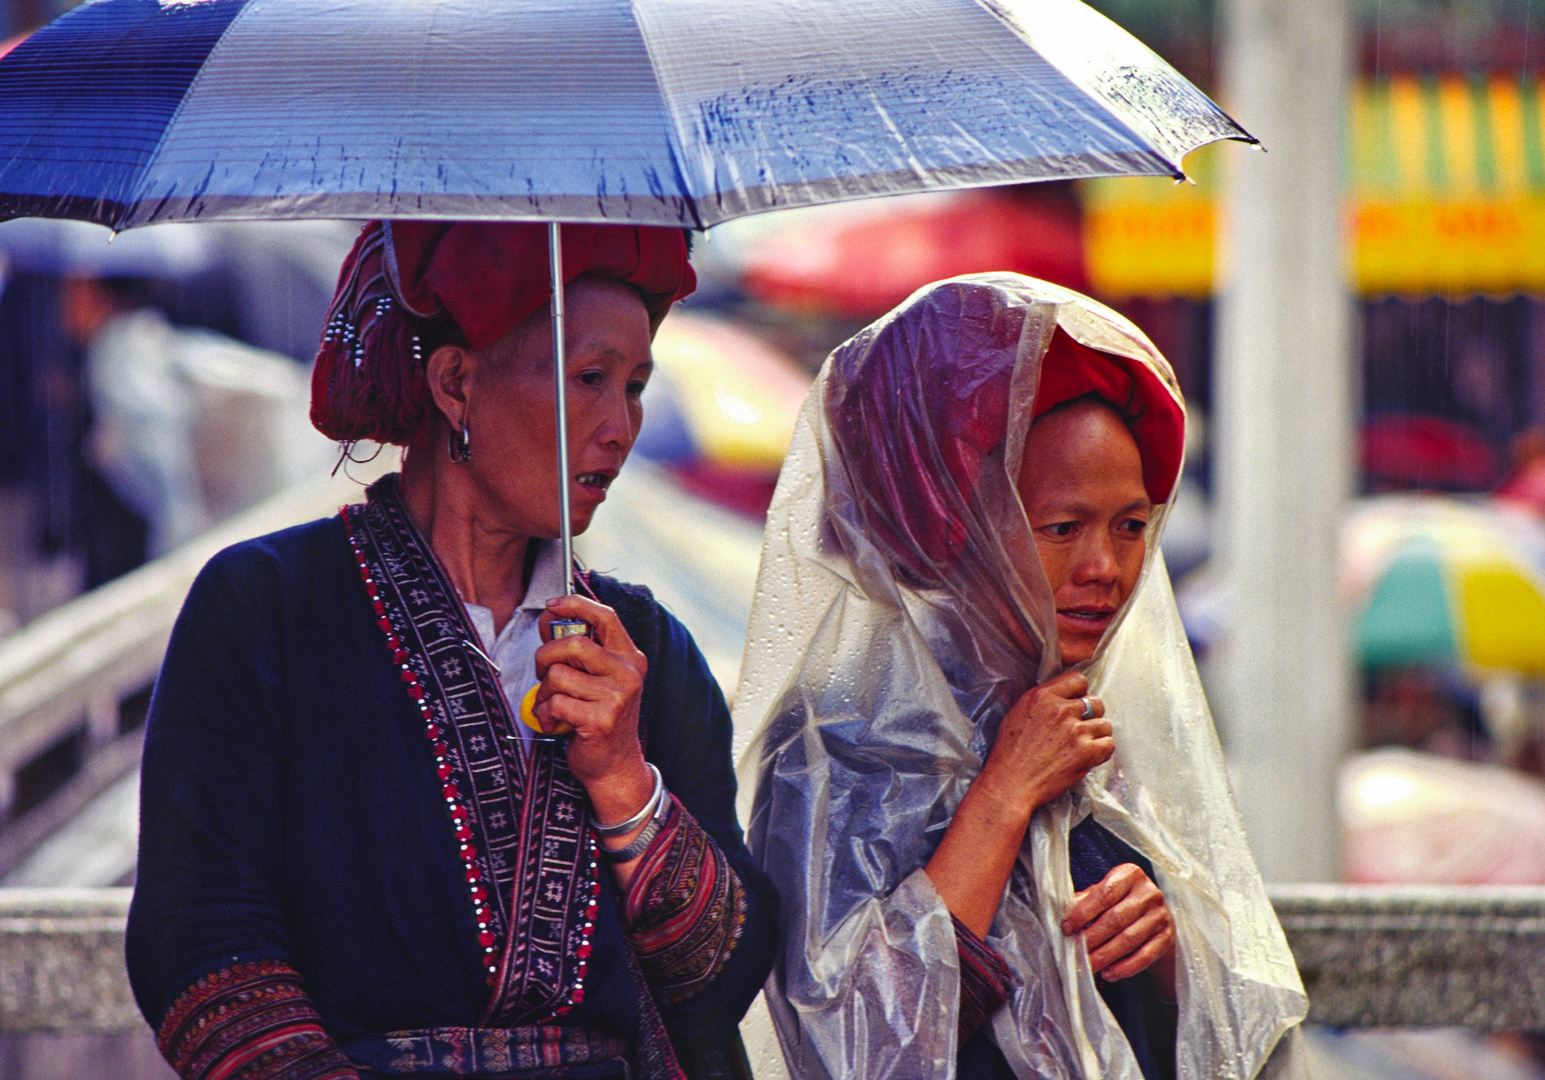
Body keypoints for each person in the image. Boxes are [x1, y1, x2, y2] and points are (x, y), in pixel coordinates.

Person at [126, 220, 778, 1080]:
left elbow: (722, 977)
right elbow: (202, 940)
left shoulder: (648, 648)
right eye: (588, 379)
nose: (620, 426)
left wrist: (625, 781)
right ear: (456, 382)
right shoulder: (266, 609)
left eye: (635, 386)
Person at [737, 275, 1307, 1080]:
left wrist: (1172, 953)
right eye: (1061, 528)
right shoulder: (839, 739)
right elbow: (851, 1043)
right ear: (956, 525)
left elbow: (1244, 1034)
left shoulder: (1104, 728)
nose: (1105, 568)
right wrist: (1005, 791)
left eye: (1132, 526)